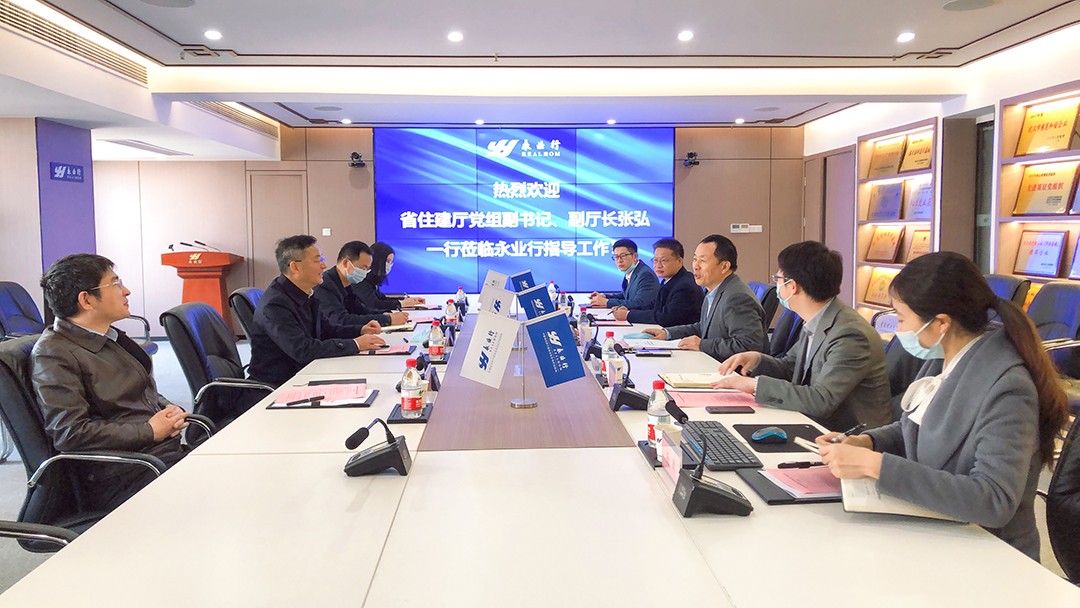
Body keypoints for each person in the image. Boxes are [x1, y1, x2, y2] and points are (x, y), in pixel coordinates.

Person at [817, 253, 1068, 559]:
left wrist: (876, 466)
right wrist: (868, 442)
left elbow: (994, 500)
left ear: (941, 323)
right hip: (940, 532)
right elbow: (918, 428)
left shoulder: (1008, 388)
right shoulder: (944, 358)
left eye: (901, 318)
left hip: (989, 555)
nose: (899, 328)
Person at [32, 254, 190, 511]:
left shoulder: (109, 336)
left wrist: (166, 409)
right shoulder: (53, 353)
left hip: (156, 455)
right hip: (124, 472)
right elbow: (70, 433)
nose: (126, 291)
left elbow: (139, 388)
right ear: (86, 300)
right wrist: (149, 431)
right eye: (115, 284)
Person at [713, 241, 890, 431]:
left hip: (846, 436)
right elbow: (791, 367)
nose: (777, 284)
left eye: (778, 278)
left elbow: (822, 400)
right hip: (811, 422)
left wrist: (755, 385)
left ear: (792, 286)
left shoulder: (850, 334)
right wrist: (757, 360)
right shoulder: (818, 318)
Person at [248, 235, 386, 387]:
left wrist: (360, 330)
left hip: (306, 373)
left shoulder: (305, 293)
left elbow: (327, 330)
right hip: (279, 385)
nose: (324, 266)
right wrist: (355, 344)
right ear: (295, 267)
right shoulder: (275, 305)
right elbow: (303, 350)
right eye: (317, 260)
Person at [642, 234, 766, 362]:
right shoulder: (714, 290)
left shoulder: (737, 297)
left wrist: (702, 345)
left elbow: (748, 346)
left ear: (724, 266)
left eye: (703, 260)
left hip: (731, 370)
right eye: (695, 259)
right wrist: (667, 333)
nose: (696, 266)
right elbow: (703, 327)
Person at [313, 240, 410, 328]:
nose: (365, 273)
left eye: (367, 269)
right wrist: (387, 319)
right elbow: (341, 320)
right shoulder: (325, 286)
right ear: (346, 263)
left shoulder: (347, 283)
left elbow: (360, 310)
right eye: (363, 268)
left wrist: (385, 315)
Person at [612, 238, 703, 327]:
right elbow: (654, 305)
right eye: (655, 260)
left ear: (679, 261)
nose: (658, 265)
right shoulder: (668, 280)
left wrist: (628, 315)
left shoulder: (685, 286)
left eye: (663, 260)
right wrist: (629, 310)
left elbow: (665, 317)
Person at [353, 241, 427, 313]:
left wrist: (406, 300)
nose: (389, 265)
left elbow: (382, 299)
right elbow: (374, 304)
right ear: (378, 260)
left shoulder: (372, 281)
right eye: (388, 261)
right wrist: (401, 303)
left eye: (391, 262)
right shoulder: (361, 279)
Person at [589, 238, 659, 309]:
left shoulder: (645, 275)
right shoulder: (632, 271)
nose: (619, 260)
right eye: (616, 257)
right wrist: (604, 297)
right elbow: (626, 295)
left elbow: (640, 303)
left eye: (623, 256)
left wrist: (606, 302)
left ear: (635, 256)